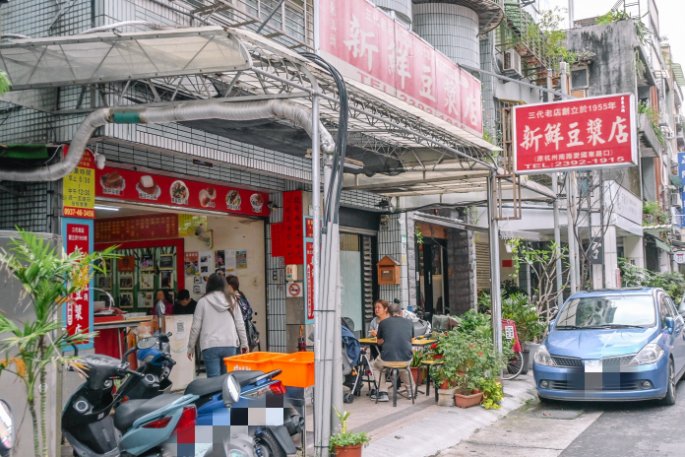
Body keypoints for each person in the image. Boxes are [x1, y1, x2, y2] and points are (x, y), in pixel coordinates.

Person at [187, 273, 248, 378]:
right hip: (230, 344)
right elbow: (240, 324)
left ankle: (215, 394)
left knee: (213, 381)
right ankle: (226, 395)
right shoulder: (232, 300)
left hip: (210, 345)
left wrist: (190, 347)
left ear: (209, 285)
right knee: (228, 379)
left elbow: (195, 327)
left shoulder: (202, 302)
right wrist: (244, 343)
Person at [370, 301, 414, 402]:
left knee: (376, 366)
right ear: (401, 313)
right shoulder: (409, 323)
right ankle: (411, 391)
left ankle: (383, 392)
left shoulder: (383, 323)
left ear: (388, 313)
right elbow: (411, 340)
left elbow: (379, 342)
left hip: (387, 357)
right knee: (403, 366)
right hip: (406, 357)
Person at [226, 274, 260, 351]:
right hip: (247, 330)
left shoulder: (233, 298)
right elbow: (250, 312)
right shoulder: (242, 295)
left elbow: (238, 318)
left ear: (230, 286)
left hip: (239, 332)